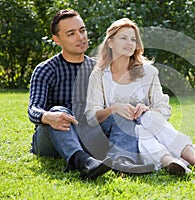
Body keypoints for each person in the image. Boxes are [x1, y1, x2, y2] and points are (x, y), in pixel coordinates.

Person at [85, 18, 195, 176]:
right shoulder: (99, 74)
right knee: (133, 122)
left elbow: (163, 108)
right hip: (114, 130)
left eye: (133, 39)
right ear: (110, 42)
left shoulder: (148, 72)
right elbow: (92, 116)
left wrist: (148, 111)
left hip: (149, 126)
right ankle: (174, 161)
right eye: (123, 38)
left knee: (147, 120)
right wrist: (115, 109)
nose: (129, 43)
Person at [28, 10, 150, 179]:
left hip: (88, 134)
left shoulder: (99, 69)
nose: (80, 37)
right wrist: (48, 116)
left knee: (120, 112)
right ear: (57, 40)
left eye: (82, 30)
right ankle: (84, 162)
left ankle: (123, 161)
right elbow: (33, 109)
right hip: (52, 137)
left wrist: (135, 106)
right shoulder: (46, 69)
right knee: (59, 110)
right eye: (71, 34)